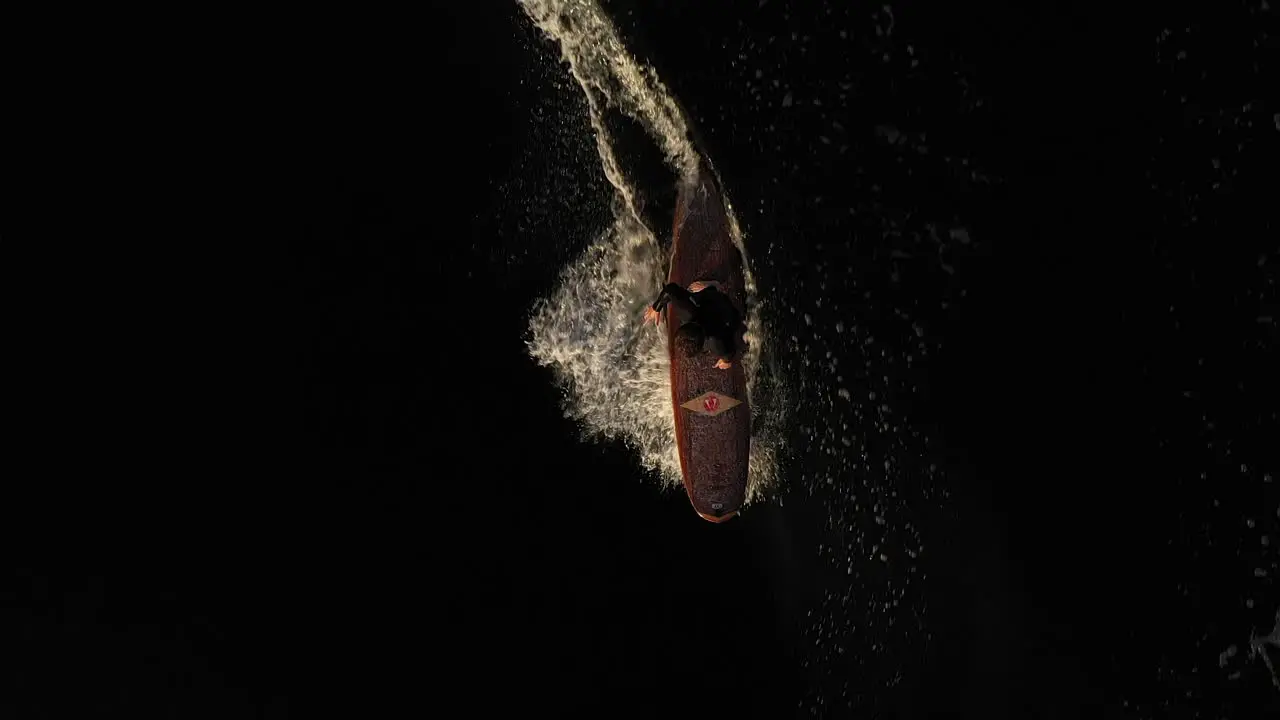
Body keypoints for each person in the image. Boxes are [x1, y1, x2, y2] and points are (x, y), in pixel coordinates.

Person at [643, 280, 744, 369]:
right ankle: (710, 287)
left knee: (734, 324)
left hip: (727, 315)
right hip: (714, 301)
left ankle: (714, 284)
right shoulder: (686, 311)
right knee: (691, 293)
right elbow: (670, 290)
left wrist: (726, 362)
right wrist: (656, 308)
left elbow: (729, 354)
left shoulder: (716, 343)